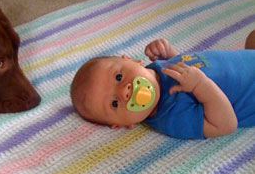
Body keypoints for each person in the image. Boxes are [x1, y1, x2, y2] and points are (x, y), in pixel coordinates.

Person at [70, 30, 255, 139]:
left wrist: (170, 55)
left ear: (132, 60)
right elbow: (226, 125)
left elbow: (191, 66)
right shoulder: (171, 117)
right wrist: (200, 85)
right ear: (121, 124)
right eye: (114, 103)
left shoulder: (157, 68)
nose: (124, 91)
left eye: (118, 77)